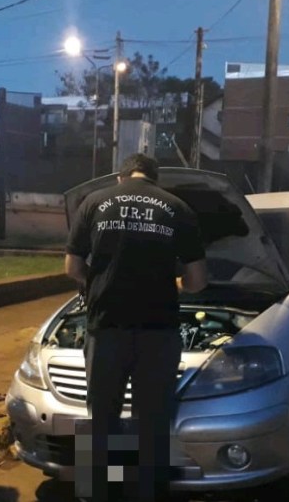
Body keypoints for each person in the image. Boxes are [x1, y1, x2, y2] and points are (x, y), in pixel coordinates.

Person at [65, 154, 208, 502]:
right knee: (152, 422)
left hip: (106, 328)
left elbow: (72, 268)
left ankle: (102, 491)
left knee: (102, 418)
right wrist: (175, 283)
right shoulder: (178, 208)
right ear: (155, 180)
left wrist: (97, 284)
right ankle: (146, 492)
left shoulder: (93, 203)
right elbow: (198, 281)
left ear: (121, 177)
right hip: (158, 332)